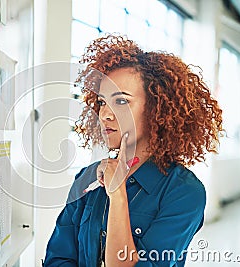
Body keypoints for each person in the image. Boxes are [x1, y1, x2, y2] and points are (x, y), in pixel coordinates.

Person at [43, 34, 223, 267]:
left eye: (121, 101)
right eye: (101, 102)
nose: (105, 114)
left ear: (156, 108)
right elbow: (57, 259)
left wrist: (117, 196)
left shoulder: (184, 192)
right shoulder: (87, 178)